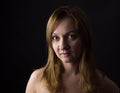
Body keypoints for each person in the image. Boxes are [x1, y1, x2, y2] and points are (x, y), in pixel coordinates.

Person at [25, 5, 119, 93]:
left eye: (71, 36)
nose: (63, 46)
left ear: (84, 38)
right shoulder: (37, 79)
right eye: (55, 38)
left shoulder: (99, 81)